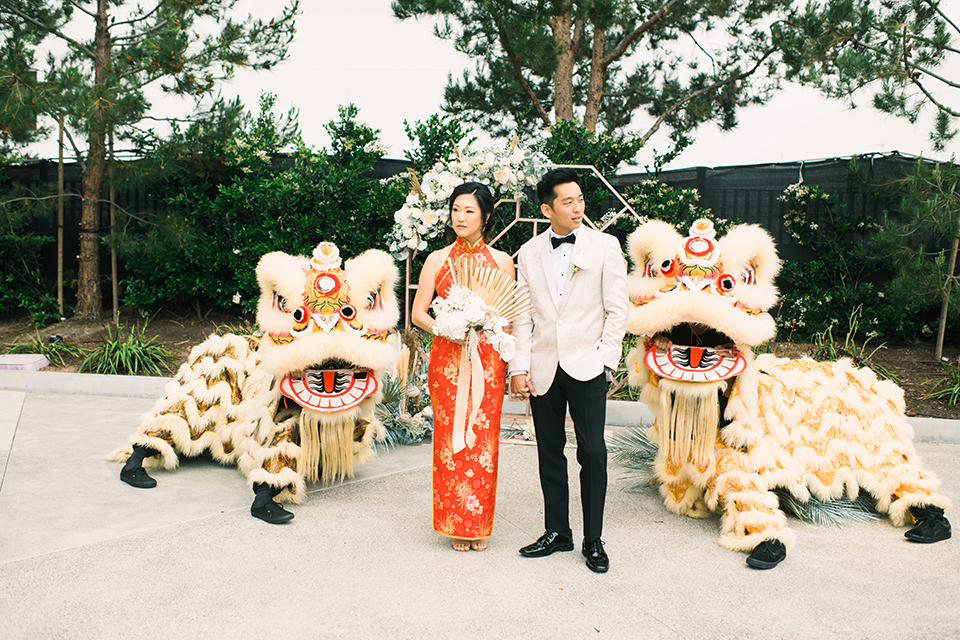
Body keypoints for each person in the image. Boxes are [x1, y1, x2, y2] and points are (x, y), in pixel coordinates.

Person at [509, 168, 628, 573]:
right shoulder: (527, 253)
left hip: (588, 364)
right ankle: (558, 532)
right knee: (549, 453)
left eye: (580, 199)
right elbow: (522, 317)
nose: (578, 207)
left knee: (593, 452)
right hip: (543, 366)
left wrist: (606, 360)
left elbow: (617, 310)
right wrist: (519, 367)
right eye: (568, 201)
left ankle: (593, 540)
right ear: (547, 208)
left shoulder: (605, 246)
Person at [412, 181, 515, 552]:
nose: (460, 217)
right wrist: (448, 327)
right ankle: (456, 524)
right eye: (456, 209)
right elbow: (418, 312)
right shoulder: (437, 260)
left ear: (485, 217)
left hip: (487, 362)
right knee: (450, 441)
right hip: (448, 361)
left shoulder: (503, 261)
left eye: (469, 211)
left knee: (483, 441)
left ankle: (479, 524)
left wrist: (487, 325)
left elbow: (508, 317)